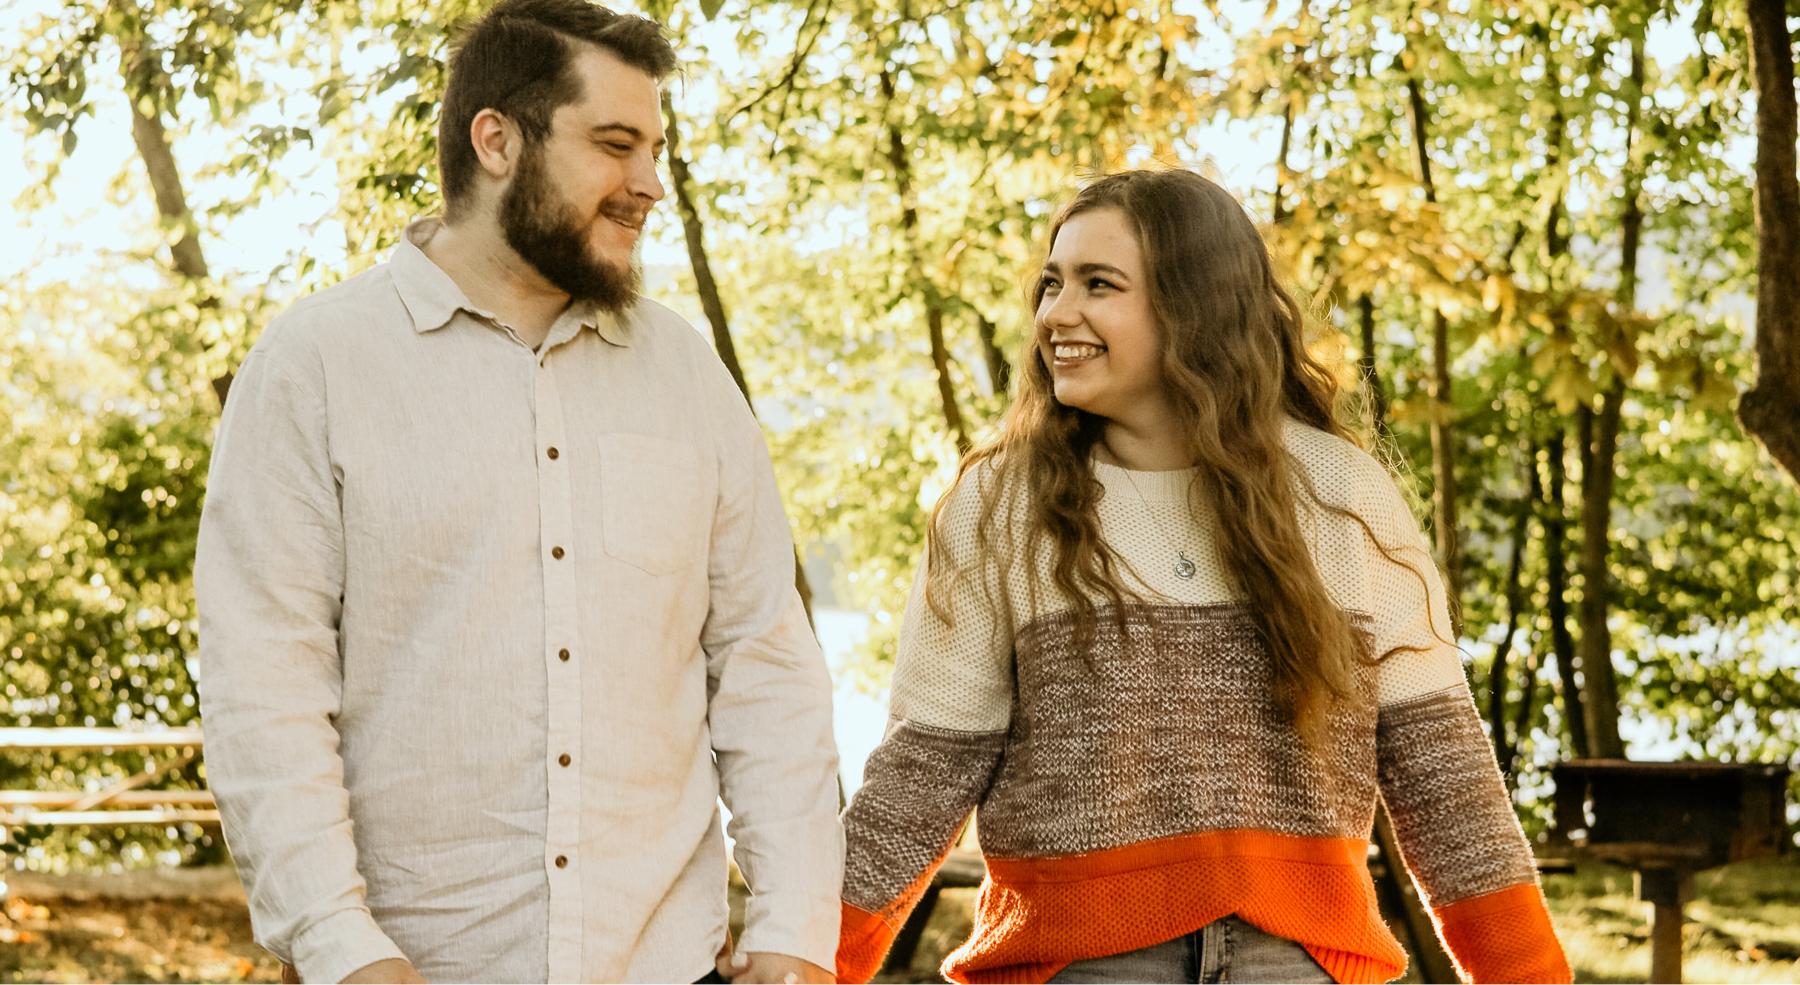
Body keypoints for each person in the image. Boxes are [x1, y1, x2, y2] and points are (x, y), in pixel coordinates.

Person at [195, 2, 840, 982]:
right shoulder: (315, 368)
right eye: (615, 145)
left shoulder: (687, 376)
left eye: (655, 150)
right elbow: (264, 688)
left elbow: (766, 666)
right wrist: (341, 947)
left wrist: (795, 930)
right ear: (495, 141)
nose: (649, 184)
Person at [835, 169, 1570, 984]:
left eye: (1098, 284)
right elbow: (924, 768)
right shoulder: (1002, 503)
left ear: (1194, 305)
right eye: (1052, 283)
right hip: (1079, 966)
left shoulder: (1340, 494)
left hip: (1298, 965)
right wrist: (805, 956)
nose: (1056, 313)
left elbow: (1443, 771)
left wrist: (1529, 976)